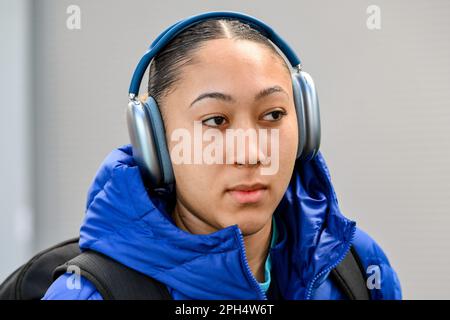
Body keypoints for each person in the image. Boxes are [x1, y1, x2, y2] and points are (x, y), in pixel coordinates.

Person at [43, 14, 402, 300]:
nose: (250, 154)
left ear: (306, 126)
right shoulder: (91, 293)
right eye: (216, 121)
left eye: (273, 115)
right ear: (154, 143)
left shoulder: (355, 265)